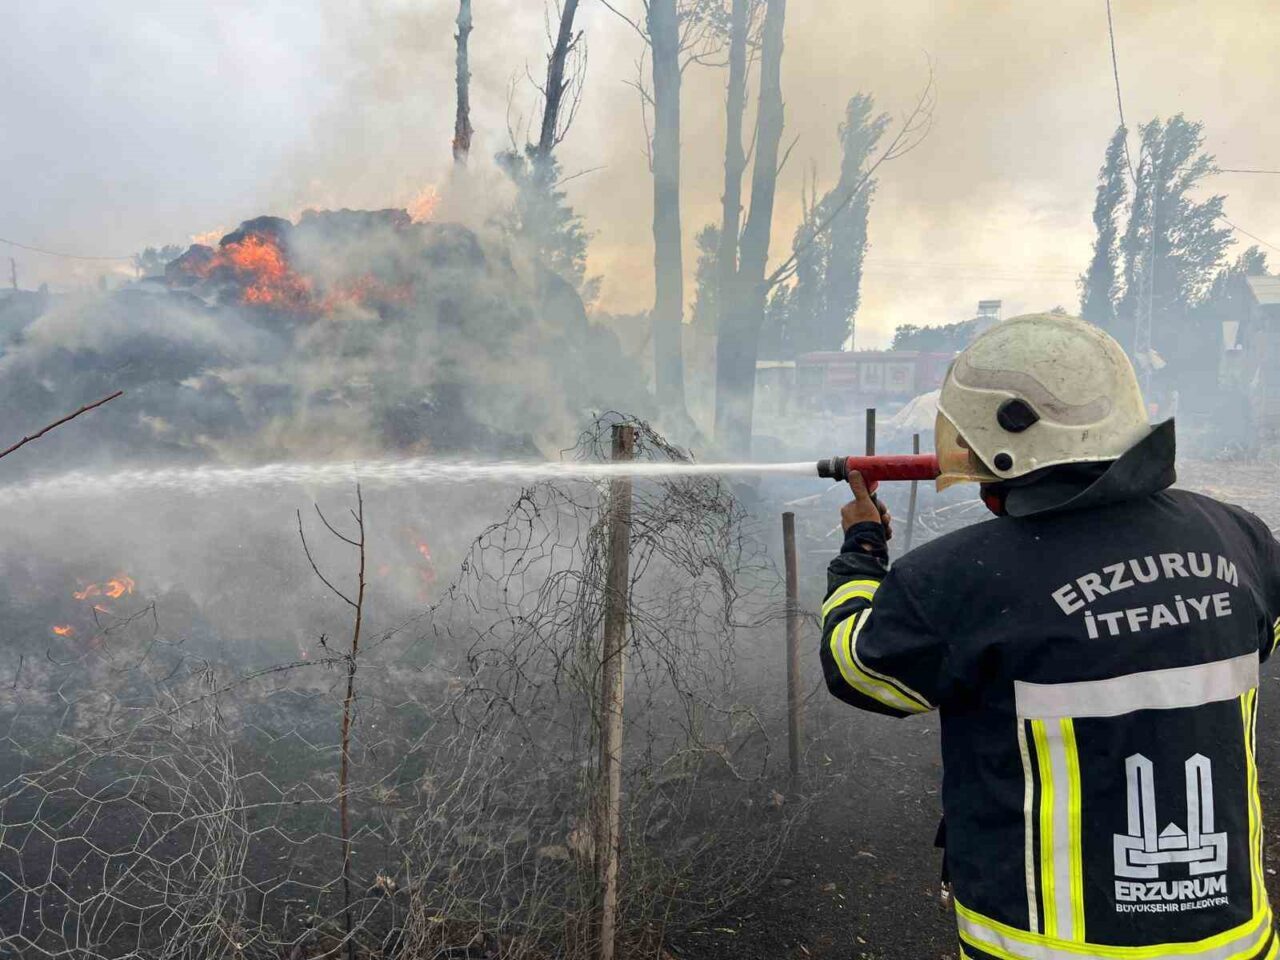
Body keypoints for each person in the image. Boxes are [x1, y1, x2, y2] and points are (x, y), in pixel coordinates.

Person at [821, 312, 1279, 960]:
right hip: (1233, 942)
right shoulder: (1238, 538)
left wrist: (862, 548)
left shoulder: (959, 578)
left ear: (1001, 441)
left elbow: (857, 668)